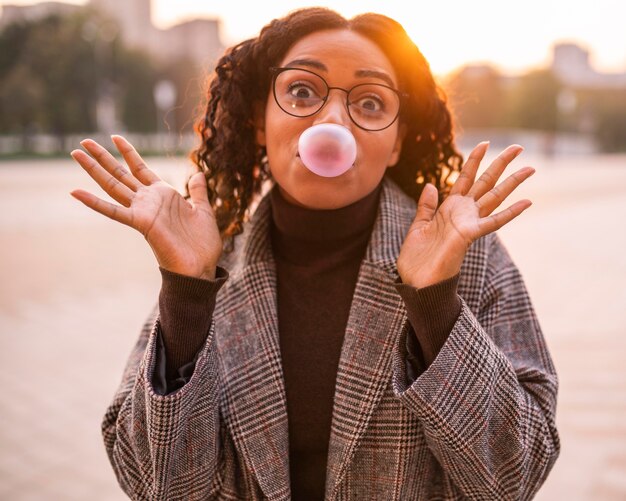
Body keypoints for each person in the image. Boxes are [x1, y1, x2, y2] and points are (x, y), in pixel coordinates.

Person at [70, 7, 560, 500]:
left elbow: (517, 476)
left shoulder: (466, 256)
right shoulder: (210, 263)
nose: (332, 121)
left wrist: (436, 306)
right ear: (260, 121)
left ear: (396, 143)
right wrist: (186, 295)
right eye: (302, 91)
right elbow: (154, 487)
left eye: (370, 103)